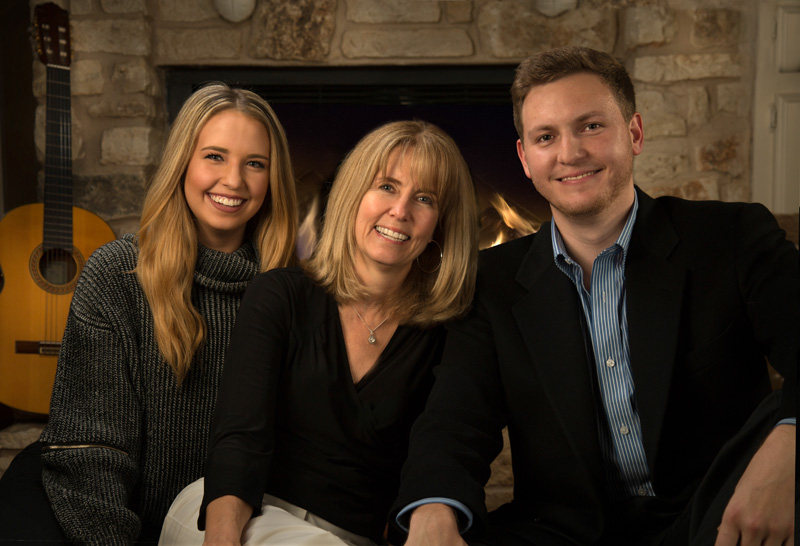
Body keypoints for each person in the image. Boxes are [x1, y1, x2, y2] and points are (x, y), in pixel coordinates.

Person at [392, 46, 798, 546]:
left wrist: (791, 442)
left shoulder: (730, 237)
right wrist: (434, 509)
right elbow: (454, 421)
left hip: (717, 515)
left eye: (591, 126)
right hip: (565, 533)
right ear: (525, 158)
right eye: (546, 137)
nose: (569, 153)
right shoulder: (490, 282)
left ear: (634, 134)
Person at [0, 82, 298, 545]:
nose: (234, 181)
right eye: (214, 156)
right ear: (182, 163)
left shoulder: (293, 289)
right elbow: (93, 450)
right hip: (115, 516)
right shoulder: (116, 275)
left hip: (234, 521)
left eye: (254, 164)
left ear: (272, 178)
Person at [158, 120, 479, 546]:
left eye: (424, 199)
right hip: (230, 513)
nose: (400, 211)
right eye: (386, 187)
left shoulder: (447, 332)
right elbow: (240, 437)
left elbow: (440, 449)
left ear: (440, 224)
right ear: (353, 196)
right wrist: (222, 539)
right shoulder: (280, 295)